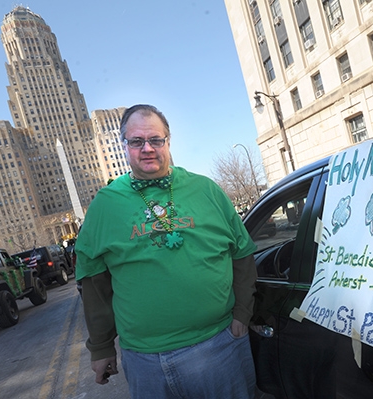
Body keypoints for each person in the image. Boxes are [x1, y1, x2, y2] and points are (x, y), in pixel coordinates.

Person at [75, 104, 258, 399]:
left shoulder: (207, 190)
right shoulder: (105, 205)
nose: (147, 148)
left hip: (219, 346)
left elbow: (242, 253)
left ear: (168, 142)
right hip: (144, 362)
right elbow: (93, 284)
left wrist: (243, 313)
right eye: (136, 141)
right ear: (124, 145)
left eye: (155, 140)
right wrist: (101, 347)